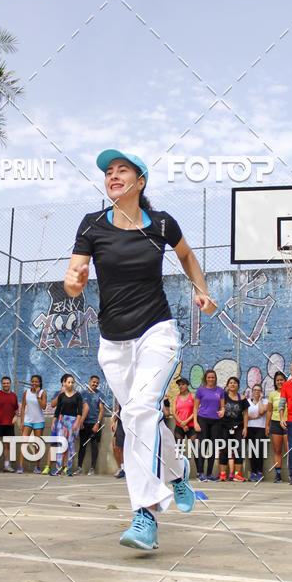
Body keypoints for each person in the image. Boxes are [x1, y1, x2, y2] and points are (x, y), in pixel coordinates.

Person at [65, 148, 216, 550]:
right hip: (114, 343)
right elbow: (72, 278)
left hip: (157, 333)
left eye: (122, 170)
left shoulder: (162, 224)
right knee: (141, 418)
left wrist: (201, 291)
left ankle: (144, 515)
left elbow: (186, 255)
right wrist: (75, 282)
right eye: (108, 172)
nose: (113, 176)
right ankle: (178, 471)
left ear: (140, 181)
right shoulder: (92, 225)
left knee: (136, 413)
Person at [193, 370, 225, 482]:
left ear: (215, 378)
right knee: (203, 446)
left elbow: (222, 406)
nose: (211, 379)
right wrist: (195, 422)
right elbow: (195, 408)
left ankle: (209, 473)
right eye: (209, 377)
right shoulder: (200, 390)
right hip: (203, 419)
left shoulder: (220, 390)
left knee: (212, 447)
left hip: (216, 421)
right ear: (205, 378)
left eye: (213, 377)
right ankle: (200, 473)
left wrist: (222, 411)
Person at [218, 376, 249, 481]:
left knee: (238, 450)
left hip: (238, 427)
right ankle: (222, 474)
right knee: (224, 449)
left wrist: (245, 427)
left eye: (235, 383)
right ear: (227, 385)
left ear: (238, 386)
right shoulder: (223, 397)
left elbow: (245, 414)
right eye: (230, 383)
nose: (232, 384)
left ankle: (237, 473)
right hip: (224, 426)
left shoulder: (243, 398)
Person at [52, 373, 82, 476]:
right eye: (69, 382)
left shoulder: (78, 395)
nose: (70, 384)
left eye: (72, 382)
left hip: (73, 421)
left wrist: (77, 423)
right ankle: (58, 468)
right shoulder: (61, 396)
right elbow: (57, 409)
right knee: (61, 444)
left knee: (70, 445)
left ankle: (68, 468)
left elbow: (80, 412)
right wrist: (53, 421)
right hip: (62, 420)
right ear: (65, 383)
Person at [0, 376, 19, 473]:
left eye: (7, 383)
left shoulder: (14, 396)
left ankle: (6, 465)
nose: (6, 385)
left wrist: (16, 416)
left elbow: (16, 409)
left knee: (7, 446)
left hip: (9, 425)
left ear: (10, 384)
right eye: (4, 383)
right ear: (1, 384)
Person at [77, 374, 105, 475]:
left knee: (94, 446)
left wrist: (97, 424)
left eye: (97, 383)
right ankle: (79, 467)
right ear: (89, 382)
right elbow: (79, 409)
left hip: (94, 423)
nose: (95, 384)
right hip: (84, 424)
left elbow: (101, 410)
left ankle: (92, 468)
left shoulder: (100, 395)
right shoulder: (82, 394)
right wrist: (80, 421)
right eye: (93, 382)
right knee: (82, 446)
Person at [20, 374, 47, 473]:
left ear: (40, 383)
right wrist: (22, 421)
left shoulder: (42, 393)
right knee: (24, 442)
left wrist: (37, 395)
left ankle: (36, 466)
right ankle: (20, 466)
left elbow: (44, 406)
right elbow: (23, 407)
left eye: (36, 381)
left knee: (37, 444)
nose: (34, 383)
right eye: (32, 381)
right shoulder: (26, 392)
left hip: (38, 421)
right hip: (28, 420)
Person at [266, 370, 287, 482]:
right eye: (277, 380)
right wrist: (267, 425)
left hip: (288, 423)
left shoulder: (289, 392)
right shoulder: (272, 395)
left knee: (289, 449)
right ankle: (278, 474)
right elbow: (269, 411)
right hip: (275, 423)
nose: (280, 382)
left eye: (281, 380)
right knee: (277, 450)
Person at [245, 383, 268, 481]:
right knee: (251, 451)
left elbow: (262, 411)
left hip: (260, 427)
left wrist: (260, 400)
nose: (256, 392)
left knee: (259, 450)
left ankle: (259, 471)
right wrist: (254, 417)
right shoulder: (247, 402)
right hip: (250, 428)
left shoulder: (265, 401)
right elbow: (245, 415)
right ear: (252, 391)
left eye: (258, 390)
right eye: (255, 390)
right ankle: (253, 472)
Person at [173, 377, 197, 469]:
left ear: (187, 385)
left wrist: (186, 422)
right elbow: (174, 413)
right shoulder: (176, 398)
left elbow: (196, 410)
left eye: (183, 384)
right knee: (178, 450)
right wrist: (181, 423)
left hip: (191, 426)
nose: (181, 386)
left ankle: (200, 473)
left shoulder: (193, 396)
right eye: (179, 385)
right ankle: (178, 471)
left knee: (196, 449)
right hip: (179, 427)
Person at [112, 403, 125, 478]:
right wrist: (113, 421)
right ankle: (121, 468)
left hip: (129, 425)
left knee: (123, 448)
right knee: (116, 446)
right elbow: (118, 410)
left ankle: (125, 469)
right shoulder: (121, 397)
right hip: (120, 425)